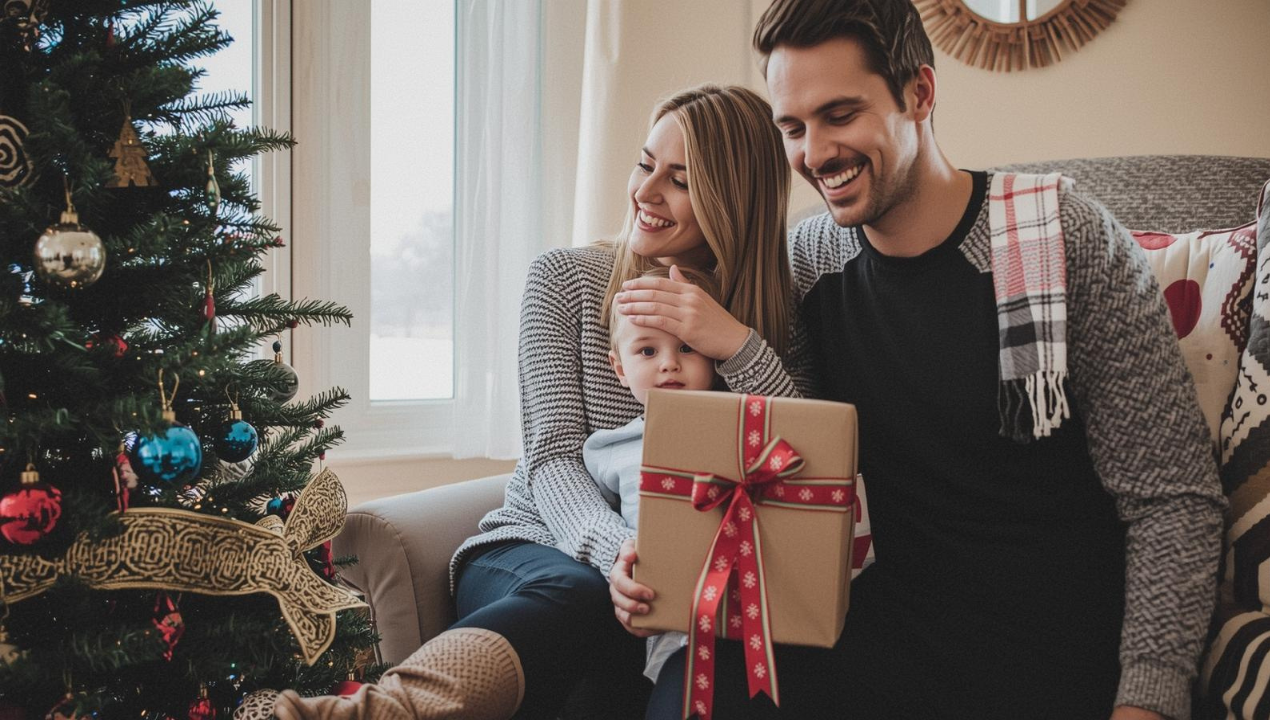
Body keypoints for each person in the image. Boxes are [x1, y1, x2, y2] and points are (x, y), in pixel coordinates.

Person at [613, 2, 1226, 719]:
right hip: (879, 638)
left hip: (1048, 656)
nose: (814, 153)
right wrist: (661, 555)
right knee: (700, 684)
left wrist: (1146, 700)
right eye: (793, 128)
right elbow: (786, 468)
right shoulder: (811, 260)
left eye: (840, 114)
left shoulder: (1056, 235)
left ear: (920, 95)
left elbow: (1171, 498)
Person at [275, 84, 803, 720]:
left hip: (689, 587)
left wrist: (735, 343)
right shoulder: (565, 279)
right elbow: (553, 458)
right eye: (645, 164)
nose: (645, 192)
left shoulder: (775, 317)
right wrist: (619, 555)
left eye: (680, 180)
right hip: (542, 547)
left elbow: (799, 461)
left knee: (719, 651)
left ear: (732, 199)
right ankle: (382, 713)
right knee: (580, 593)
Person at [585, 265, 724, 688]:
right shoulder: (608, 449)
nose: (669, 366)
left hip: (744, 604)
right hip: (660, 616)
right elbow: (591, 516)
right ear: (619, 368)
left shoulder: (736, 428)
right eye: (648, 352)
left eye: (687, 348)